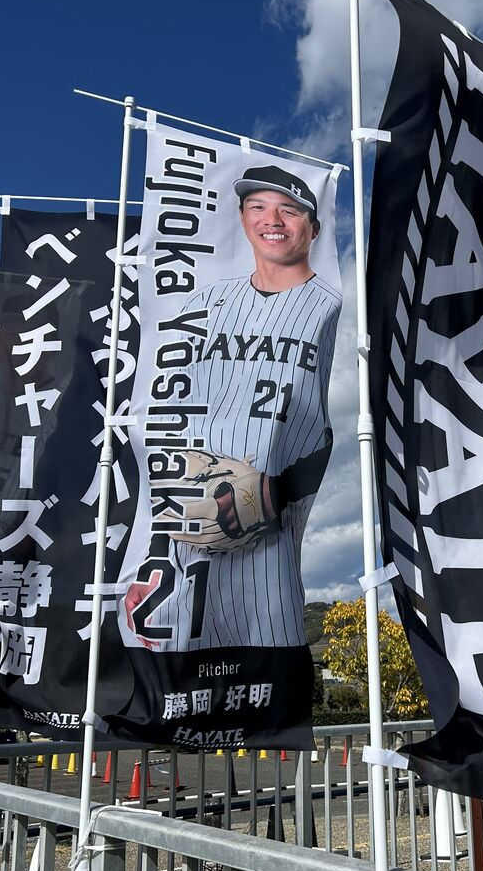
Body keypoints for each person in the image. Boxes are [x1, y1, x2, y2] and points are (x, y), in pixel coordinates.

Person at [125, 164, 341, 651]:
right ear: (243, 218)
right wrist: (150, 557)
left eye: (289, 210)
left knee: (270, 672)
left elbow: (342, 428)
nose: (273, 220)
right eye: (258, 207)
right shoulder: (208, 302)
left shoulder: (334, 307)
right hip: (184, 547)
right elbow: (169, 422)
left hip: (271, 550)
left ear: (313, 228)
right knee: (178, 684)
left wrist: (273, 492)